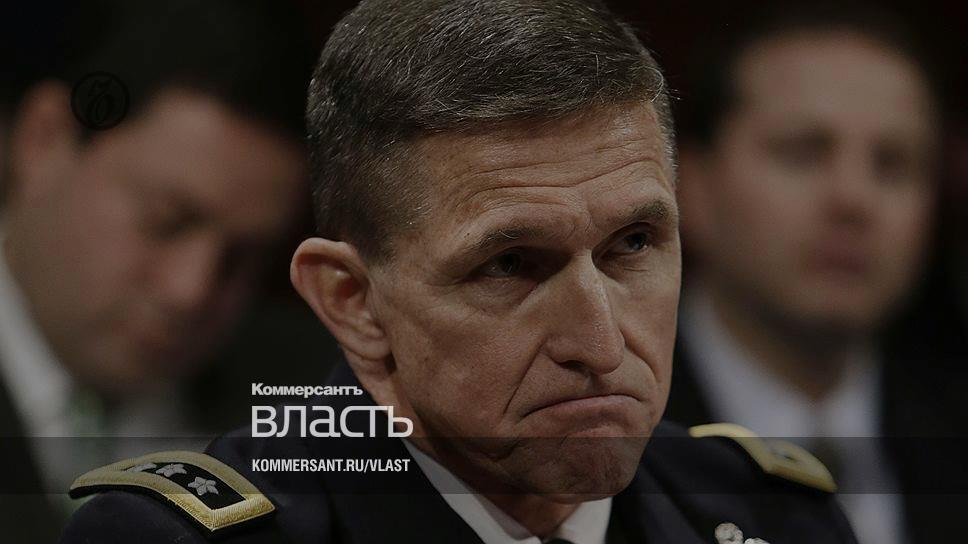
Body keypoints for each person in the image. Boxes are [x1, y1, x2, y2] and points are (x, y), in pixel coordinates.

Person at [61, 1, 858, 543]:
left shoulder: (778, 519)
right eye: (511, 264)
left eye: (633, 244)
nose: (601, 342)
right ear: (353, 303)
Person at [0, 1, 312, 539]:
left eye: (245, 258)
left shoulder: (304, 407)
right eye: (164, 222)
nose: (190, 292)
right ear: (43, 140)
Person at [664, 4, 963, 544]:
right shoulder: (608, 438)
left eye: (893, 163)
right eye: (802, 152)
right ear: (693, 185)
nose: (854, 199)